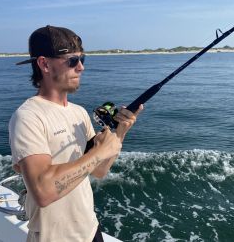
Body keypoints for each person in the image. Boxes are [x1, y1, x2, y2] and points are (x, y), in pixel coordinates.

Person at [9, 25, 143, 242]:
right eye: (72, 61)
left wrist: (120, 132)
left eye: (83, 59)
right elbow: (42, 192)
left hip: (90, 230)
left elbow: (99, 170)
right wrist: (99, 152)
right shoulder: (28, 116)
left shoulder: (79, 113)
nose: (80, 67)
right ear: (44, 63)